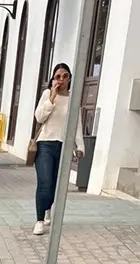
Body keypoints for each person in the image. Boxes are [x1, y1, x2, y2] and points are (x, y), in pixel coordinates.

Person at [32, 63, 84, 236]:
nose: (61, 79)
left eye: (65, 76)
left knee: (55, 185)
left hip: (63, 146)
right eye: (58, 76)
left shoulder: (73, 98)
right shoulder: (47, 94)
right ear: (53, 79)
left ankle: (47, 208)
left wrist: (80, 146)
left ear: (70, 78)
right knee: (45, 182)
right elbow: (39, 117)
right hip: (45, 144)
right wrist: (52, 98)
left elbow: (77, 124)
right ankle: (39, 220)